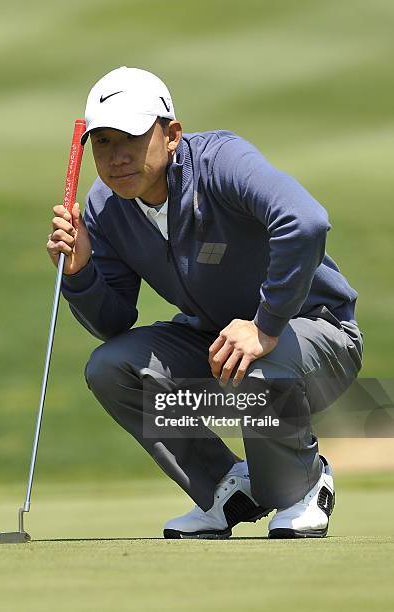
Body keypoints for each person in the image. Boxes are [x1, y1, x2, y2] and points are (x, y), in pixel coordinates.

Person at [47, 66, 363, 539]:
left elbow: (306, 221)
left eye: (130, 137)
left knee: (258, 363)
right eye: (103, 142)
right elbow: (113, 321)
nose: (116, 157)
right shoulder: (103, 206)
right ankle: (229, 488)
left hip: (318, 337)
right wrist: (80, 272)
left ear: (171, 134)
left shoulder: (221, 160)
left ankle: (302, 485)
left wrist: (266, 324)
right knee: (111, 367)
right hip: (218, 342)